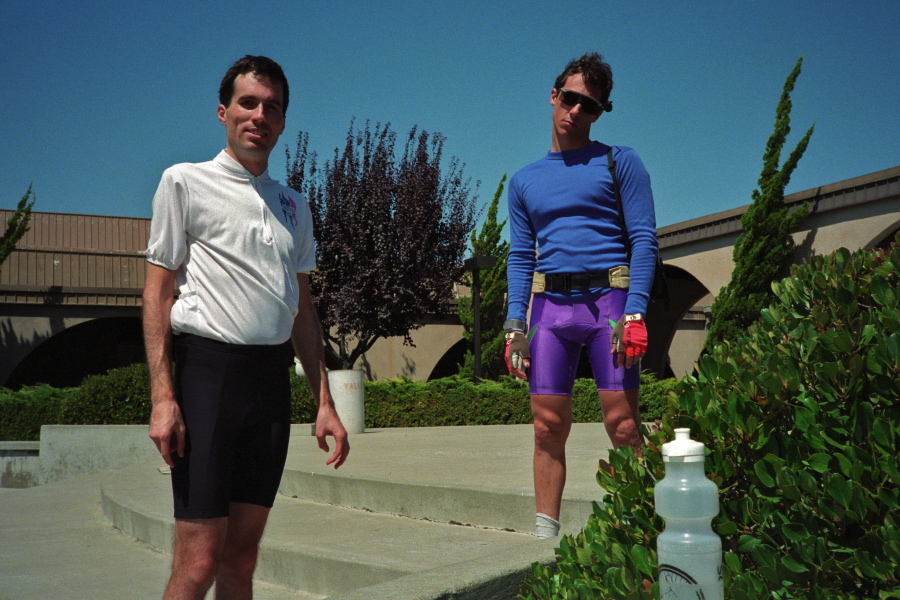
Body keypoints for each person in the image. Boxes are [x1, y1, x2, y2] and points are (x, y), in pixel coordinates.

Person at [143, 55, 349, 599]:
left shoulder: (293, 206)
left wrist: (323, 401)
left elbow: (303, 311)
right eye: (247, 102)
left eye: (271, 107)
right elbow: (157, 293)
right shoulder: (184, 182)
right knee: (197, 562)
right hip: (207, 376)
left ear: (282, 122)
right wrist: (164, 397)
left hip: (268, 386)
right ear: (223, 112)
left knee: (242, 558)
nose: (259, 114)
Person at [503, 52, 658, 539]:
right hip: (549, 312)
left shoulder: (620, 161)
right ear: (553, 96)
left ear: (599, 112)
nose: (576, 111)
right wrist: (514, 325)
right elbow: (521, 257)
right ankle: (544, 541)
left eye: (589, 106)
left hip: (610, 306)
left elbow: (644, 240)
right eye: (570, 99)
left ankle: (646, 527)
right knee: (547, 427)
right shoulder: (524, 180)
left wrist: (635, 312)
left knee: (625, 425)